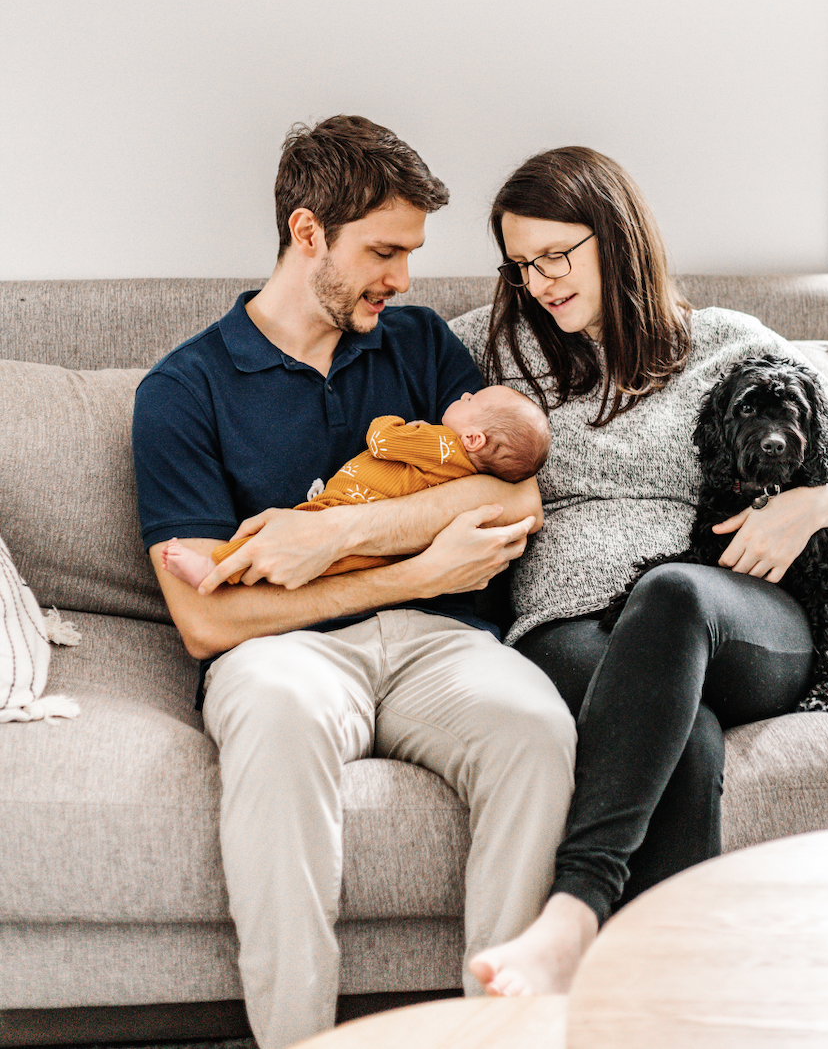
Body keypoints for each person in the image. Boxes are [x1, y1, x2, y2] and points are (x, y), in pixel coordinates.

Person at [132, 116, 575, 1049]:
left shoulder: (417, 346)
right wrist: (413, 567)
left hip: (441, 646)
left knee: (537, 728)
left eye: (411, 252)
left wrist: (335, 533)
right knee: (280, 718)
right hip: (279, 655)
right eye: (382, 251)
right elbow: (210, 624)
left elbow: (518, 489)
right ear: (306, 233)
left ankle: (497, 1038)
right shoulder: (184, 390)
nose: (403, 279)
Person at [448, 146, 828, 997]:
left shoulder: (726, 344)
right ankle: (668, 1002)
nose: (542, 281)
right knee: (680, 735)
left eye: (559, 254)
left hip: (737, 615)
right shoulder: (492, 348)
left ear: (617, 238)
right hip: (569, 626)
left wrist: (804, 507)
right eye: (522, 265)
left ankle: (574, 910)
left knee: (672, 592)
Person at [163, 386, 551, 590]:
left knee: (278, 537)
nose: (466, 394)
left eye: (473, 400)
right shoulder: (464, 471)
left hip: (346, 503)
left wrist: (392, 422)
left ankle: (214, 567)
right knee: (323, 564)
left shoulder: (440, 443)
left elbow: (381, 442)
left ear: (474, 439)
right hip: (376, 546)